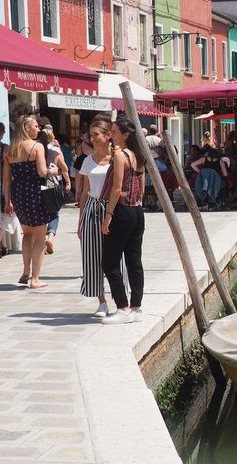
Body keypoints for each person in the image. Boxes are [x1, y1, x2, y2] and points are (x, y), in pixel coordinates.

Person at [78, 116, 128, 316]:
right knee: (92, 254)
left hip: (114, 208)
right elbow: (84, 191)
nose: (93, 138)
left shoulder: (119, 158)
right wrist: (80, 220)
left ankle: (121, 299)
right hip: (92, 207)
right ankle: (101, 300)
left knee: (118, 255)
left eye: (96, 134)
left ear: (108, 136)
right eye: (91, 135)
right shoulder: (88, 161)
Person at [101, 117, 146, 324]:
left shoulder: (120, 156)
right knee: (134, 260)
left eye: (115, 132)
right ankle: (136, 307)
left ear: (126, 134)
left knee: (109, 262)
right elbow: (142, 187)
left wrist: (108, 216)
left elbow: (116, 188)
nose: (111, 135)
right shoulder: (138, 155)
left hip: (122, 211)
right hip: (137, 210)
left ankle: (122, 307)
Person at [3, 115, 52, 288]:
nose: (38, 129)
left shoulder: (9, 149)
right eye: (36, 126)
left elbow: (7, 179)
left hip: (18, 194)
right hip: (35, 192)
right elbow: (41, 172)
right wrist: (52, 171)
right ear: (26, 128)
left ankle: (25, 271)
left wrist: (8, 200)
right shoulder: (37, 146)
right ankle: (35, 279)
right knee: (39, 237)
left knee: (27, 234)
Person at [38, 129, 71, 255]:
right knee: (54, 212)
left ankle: (41, 241)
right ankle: (50, 237)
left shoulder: (35, 150)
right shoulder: (55, 151)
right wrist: (68, 182)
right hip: (52, 184)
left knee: (41, 211)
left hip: (36, 184)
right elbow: (64, 168)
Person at [0, 122, 8, 259]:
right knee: (2, 216)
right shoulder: (5, 148)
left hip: (0, 185)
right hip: (0, 185)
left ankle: (2, 246)